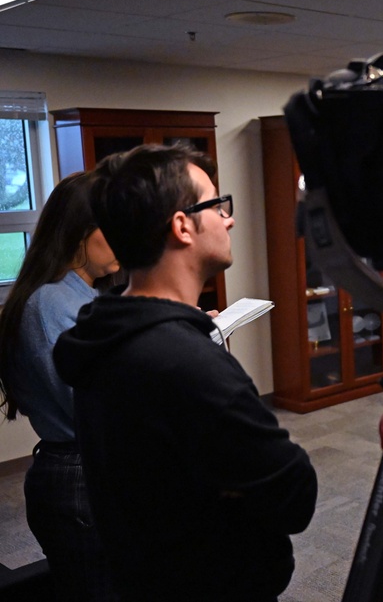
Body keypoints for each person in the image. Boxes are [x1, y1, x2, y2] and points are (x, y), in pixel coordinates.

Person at [52, 144, 318, 601]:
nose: (229, 218)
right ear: (182, 226)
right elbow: (295, 495)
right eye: (217, 204)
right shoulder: (188, 364)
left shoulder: (106, 334)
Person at [0, 167, 121, 601]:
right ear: (79, 233)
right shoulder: (51, 303)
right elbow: (90, 400)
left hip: (90, 468)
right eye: (113, 226)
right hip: (77, 476)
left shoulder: (84, 295)